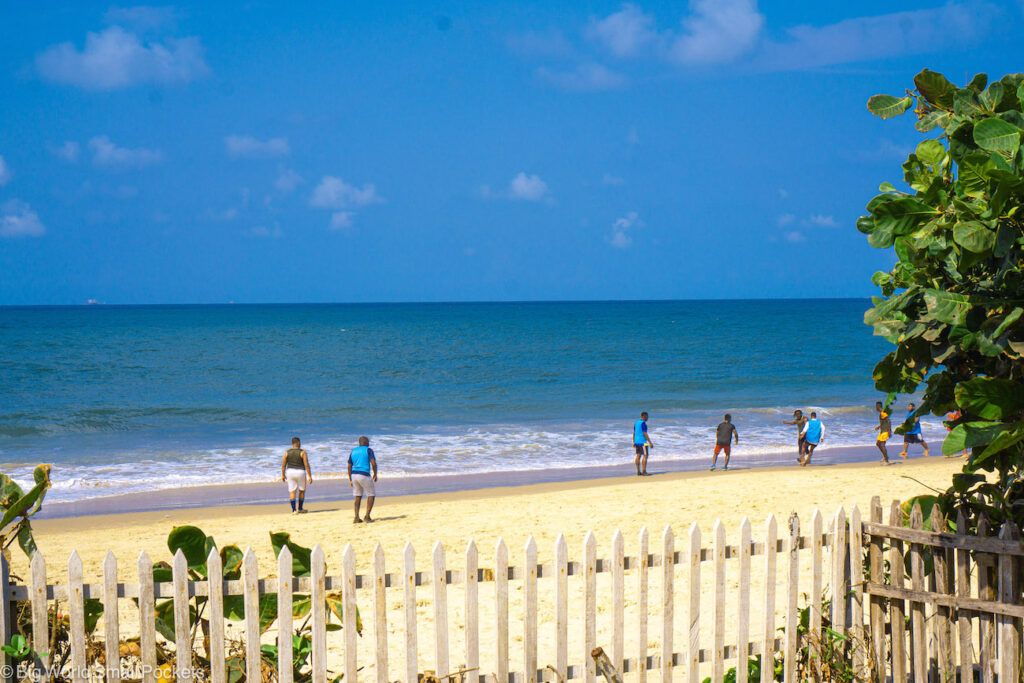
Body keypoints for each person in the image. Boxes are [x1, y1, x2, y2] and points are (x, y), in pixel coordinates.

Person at [348, 436, 378, 523]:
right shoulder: (368, 450)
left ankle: (356, 517)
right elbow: (373, 463)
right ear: (365, 442)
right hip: (364, 474)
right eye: (368, 442)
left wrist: (350, 478)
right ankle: (367, 516)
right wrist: (375, 474)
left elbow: (349, 466)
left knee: (357, 496)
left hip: (354, 475)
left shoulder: (353, 451)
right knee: (371, 494)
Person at [281, 437, 313, 514]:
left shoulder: (287, 452)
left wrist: (283, 475)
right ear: (298, 443)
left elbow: (283, 465)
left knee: (292, 491)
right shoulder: (303, 452)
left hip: (290, 472)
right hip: (300, 472)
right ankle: (300, 508)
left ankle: (294, 510)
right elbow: (306, 465)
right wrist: (309, 476)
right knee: (301, 491)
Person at [633, 411, 653, 476]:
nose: (647, 418)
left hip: (637, 442)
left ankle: (638, 471)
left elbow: (634, 432)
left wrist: (633, 441)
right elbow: (645, 433)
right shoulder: (643, 423)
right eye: (647, 417)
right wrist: (650, 442)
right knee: (645, 455)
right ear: (644, 416)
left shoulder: (636, 423)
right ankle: (644, 471)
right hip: (643, 442)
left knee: (638, 455)